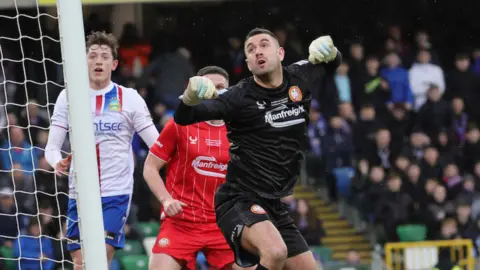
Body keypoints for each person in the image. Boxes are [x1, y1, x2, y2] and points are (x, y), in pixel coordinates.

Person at [174, 27, 342, 270]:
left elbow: (333, 62)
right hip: (239, 199)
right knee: (275, 252)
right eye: (251, 50)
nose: (258, 52)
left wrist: (331, 51)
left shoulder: (300, 77)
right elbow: (184, 117)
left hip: (275, 205)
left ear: (281, 53)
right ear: (248, 64)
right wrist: (189, 97)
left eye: (264, 45)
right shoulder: (238, 97)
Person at [45, 31, 158, 269]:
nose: (98, 61)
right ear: (83, 61)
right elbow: (52, 148)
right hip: (79, 191)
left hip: (115, 192)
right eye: (93, 56)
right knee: (79, 261)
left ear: (114, 64)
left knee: (100, 256)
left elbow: (156, 144)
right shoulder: (68, 97)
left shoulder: (130, 98)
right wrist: (57, 162)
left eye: (104, 56)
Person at [144, 66, 249, 270]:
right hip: (180, 222)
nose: (215, 92)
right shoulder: (179, 124)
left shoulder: (239, 132)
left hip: (221, 224)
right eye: (208, 87)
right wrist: (166, 200)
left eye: (221, 87)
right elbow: (150, 167)